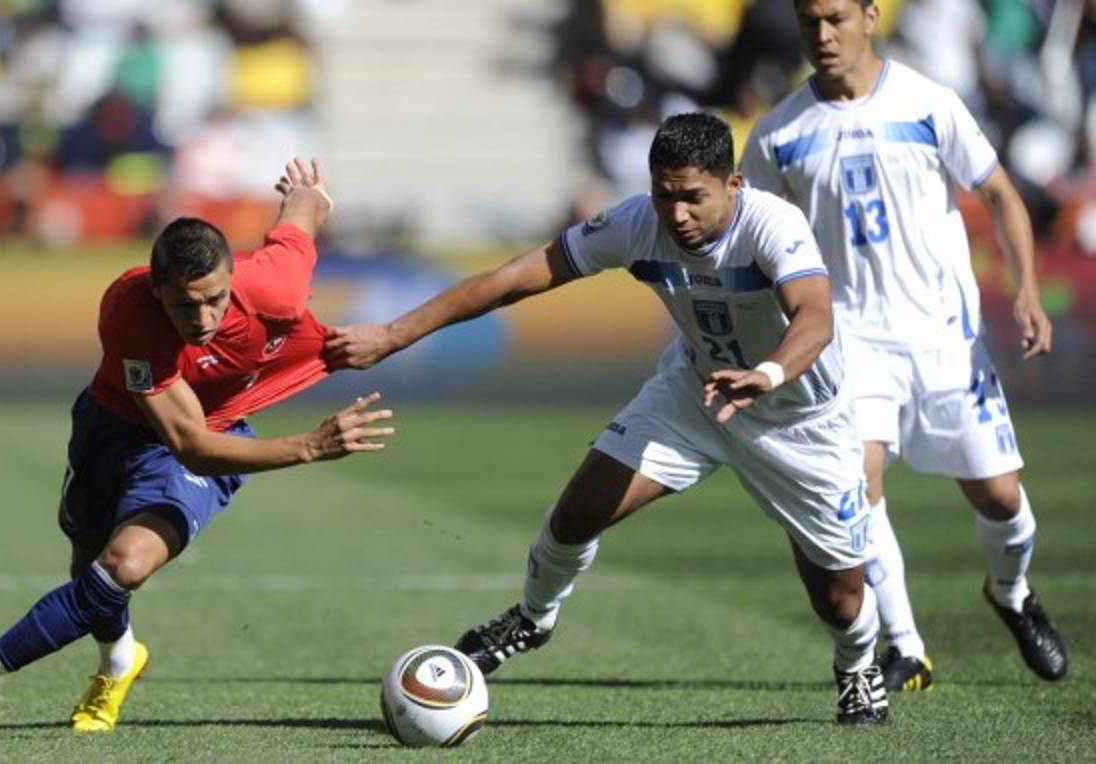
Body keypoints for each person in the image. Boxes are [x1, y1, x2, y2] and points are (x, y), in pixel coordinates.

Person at [328, 112, 890, 725]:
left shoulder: (772, 224)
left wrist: (769, 374)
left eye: (693, 197)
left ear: (733, 185)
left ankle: (857, 666)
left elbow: (815, 315)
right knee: (578, 511)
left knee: (839, 602)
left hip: (798, 418)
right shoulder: (637, 223)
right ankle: (532, 618)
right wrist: (392, 334)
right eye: (663, 194)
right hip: (697, 396)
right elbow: (515, 277)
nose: (676, 215)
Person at [0, 158, 396, 732]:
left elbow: (300, 224)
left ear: (230, 277)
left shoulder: (274, 285)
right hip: (117, 429)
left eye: (214, 298)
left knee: (125, 564)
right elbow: (186, 440)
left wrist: (310, 193)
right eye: (184, 303)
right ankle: (120, 660)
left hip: (205, 438)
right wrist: (312, 446)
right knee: (90, 573)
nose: (202, 317)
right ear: (157, 289)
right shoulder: (128, 313)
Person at [739, 0, 1067, 693]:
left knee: (1001, 498)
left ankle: (1010, 594)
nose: (822, 36)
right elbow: (754, 240)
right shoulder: (776, 134)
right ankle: (906, 644)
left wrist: (1027, 290)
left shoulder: (928, 102)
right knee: (859, 485)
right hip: (849, 342)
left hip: (944, 336)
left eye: (835, 18)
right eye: (809, 22)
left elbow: (1001, 193)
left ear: (870, 15)